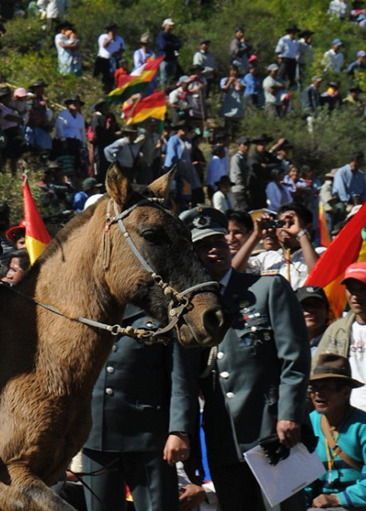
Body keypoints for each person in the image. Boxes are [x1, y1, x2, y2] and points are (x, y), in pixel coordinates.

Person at [82, 208, 208, 511]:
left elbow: (181, 378)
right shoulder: (86, 308)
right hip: (95, 438)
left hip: (149, 438)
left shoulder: (163, 310)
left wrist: (178, 430)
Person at [188, 207, 309, 511]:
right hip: (223, 438)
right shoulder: (190, 309)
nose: (213, 251)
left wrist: (289, 413)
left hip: (271, 432)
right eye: (203, 246)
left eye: (217, 242)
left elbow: (294, 358)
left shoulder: (266, 289)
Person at [304, 353, 366, 509]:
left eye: (325, 388)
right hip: (320, 502)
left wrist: (337, 499)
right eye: (314, 388)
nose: (317, 394)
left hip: (358, 504)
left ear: (345, 393)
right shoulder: (309, 423)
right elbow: (304, 476)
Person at [316, 263, 366, 423]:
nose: (355, 296)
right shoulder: (337, 329)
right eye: (351, 289)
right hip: (344, 421)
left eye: (363, 289)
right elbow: (316, 373)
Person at [232, 203, 323, 290]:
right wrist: (256, 235)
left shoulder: (320, 253)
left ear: (309, 228)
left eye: (292, 223)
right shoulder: (267, 258)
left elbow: (319, 277)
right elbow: (233, 272)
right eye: (281, 224)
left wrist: (301, 233)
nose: (285, 228)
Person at [299, 285, 330, 355]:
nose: (310, 310)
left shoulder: (337, 340)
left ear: (327, 311)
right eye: (304, 305)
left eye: (316, 305)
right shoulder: (284, 342)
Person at [94, 24, 124, 92]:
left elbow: (123, 48)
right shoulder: (103, 37)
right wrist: (110, 39)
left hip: (114, 59)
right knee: (104, 76)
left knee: (113, 76)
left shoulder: (119, 39)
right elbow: (104, 45)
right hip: (103, 59)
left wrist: (118, 53)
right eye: (113, 30)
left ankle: (112, 89)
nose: (115, 31)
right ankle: (104, 89)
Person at [157, 18, 183, 85]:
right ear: (165, 26)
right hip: (164, 59)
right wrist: (172, 45)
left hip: (172, 59)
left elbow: (179, 45)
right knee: (164, 78)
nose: (171, 27)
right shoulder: (161, 35)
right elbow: (163, 46)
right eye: (169, 25)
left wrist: (169, 44)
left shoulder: (173, 36)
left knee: (171, 78)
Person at [276, 26, 301, 90]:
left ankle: (291, 88)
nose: (294, 34)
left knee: (292, 76)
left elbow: (297, 51)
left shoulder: (296, 42)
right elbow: (278, 50)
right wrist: (279, 57)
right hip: (285, 58)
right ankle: (279, 86)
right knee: (282, 74)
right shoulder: (283, 39)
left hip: (293, 59)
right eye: (293, 32)